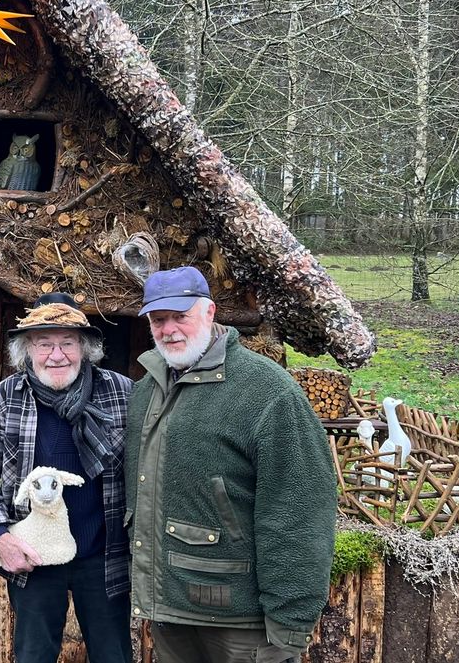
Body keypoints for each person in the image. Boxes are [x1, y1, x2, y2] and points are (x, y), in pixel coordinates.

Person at [124, 266, 337, 663]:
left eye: (180, 316)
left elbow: (299, 512)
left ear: (209, 312)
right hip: (170, 607)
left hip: (240, 622)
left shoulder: (268, 392)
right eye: (158, 320)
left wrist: (290, 625)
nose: (168, 329)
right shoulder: (147, 389)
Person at [0, 293, 134, 663]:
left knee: (114, 654)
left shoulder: (120, 392)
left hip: (102, 553)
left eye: (67, 343)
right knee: (34, 655)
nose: (56, 355)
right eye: (44, 344)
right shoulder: (5, 398)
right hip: (34, 555)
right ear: (27, 350)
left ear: (85, 348)